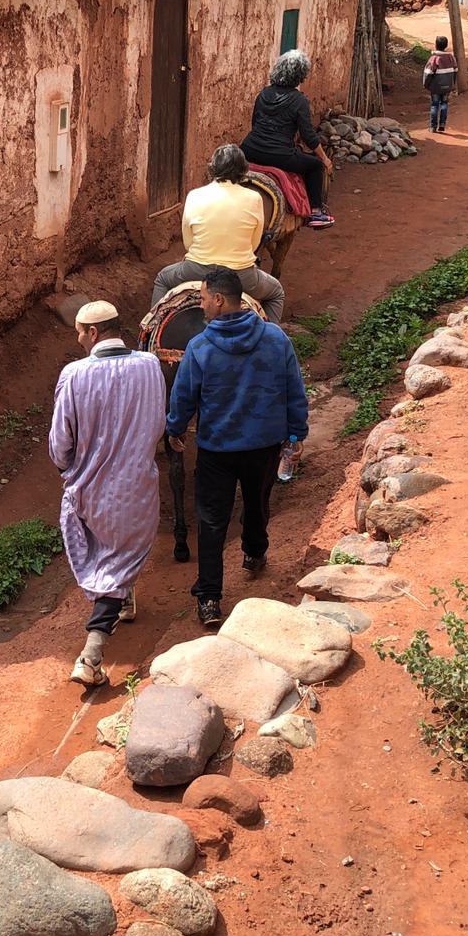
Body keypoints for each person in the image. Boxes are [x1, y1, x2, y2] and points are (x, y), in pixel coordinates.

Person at [165, 266, 308, 629]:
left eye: (201, 298)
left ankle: (210, 598)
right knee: (258, 503)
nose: (200, 305)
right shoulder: (275, 339)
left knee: (212, 521)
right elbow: (294, 388)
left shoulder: (199, 347)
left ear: (217, 299)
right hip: (264, 444)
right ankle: (255, 552)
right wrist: (296, 434)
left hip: (218, 449)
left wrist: (175, 429)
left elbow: (184, 396)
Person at [48, 300, 168, 688]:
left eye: (80, 332)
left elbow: (60, 440)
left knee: (107, 555)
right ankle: (97, 643)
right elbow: (158, 425)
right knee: (123, 552)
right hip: (136, 487)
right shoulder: (150, 365)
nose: (79, 339)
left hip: (88, 489)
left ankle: (92, 652)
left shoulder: (74, 374)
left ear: (94, 333)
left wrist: (69, 468)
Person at [149, 144, 287, 323]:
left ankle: (149, 332)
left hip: (196, 269)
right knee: (276, 292)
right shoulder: (254, 198)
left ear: (212, 168)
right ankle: (270, 342)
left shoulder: (194, 195)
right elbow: (253, 245)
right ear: (243, 171)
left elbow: (188, 243)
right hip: (241, 275)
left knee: (162, 279)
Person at [240, 49, 335, 229]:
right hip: (279, 155)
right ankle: (316, 213)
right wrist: (324, 159)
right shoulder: (299, 100)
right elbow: (308, 136)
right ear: (300, 75)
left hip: (249, 150)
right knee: (314, 166)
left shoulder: (263, 94)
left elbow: (255, 123)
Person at [423, 35, 459, 133]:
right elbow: (455, 70)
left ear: (436, 45)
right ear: (446, 45)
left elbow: (428, 73)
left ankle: (433, 127)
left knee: (435, 105)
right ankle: (442, 125)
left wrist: (426, 84)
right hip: (447, 87)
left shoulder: (434, 58)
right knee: (444, 104)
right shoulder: (451, 58)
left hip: (436, 87)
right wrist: (452, 84)